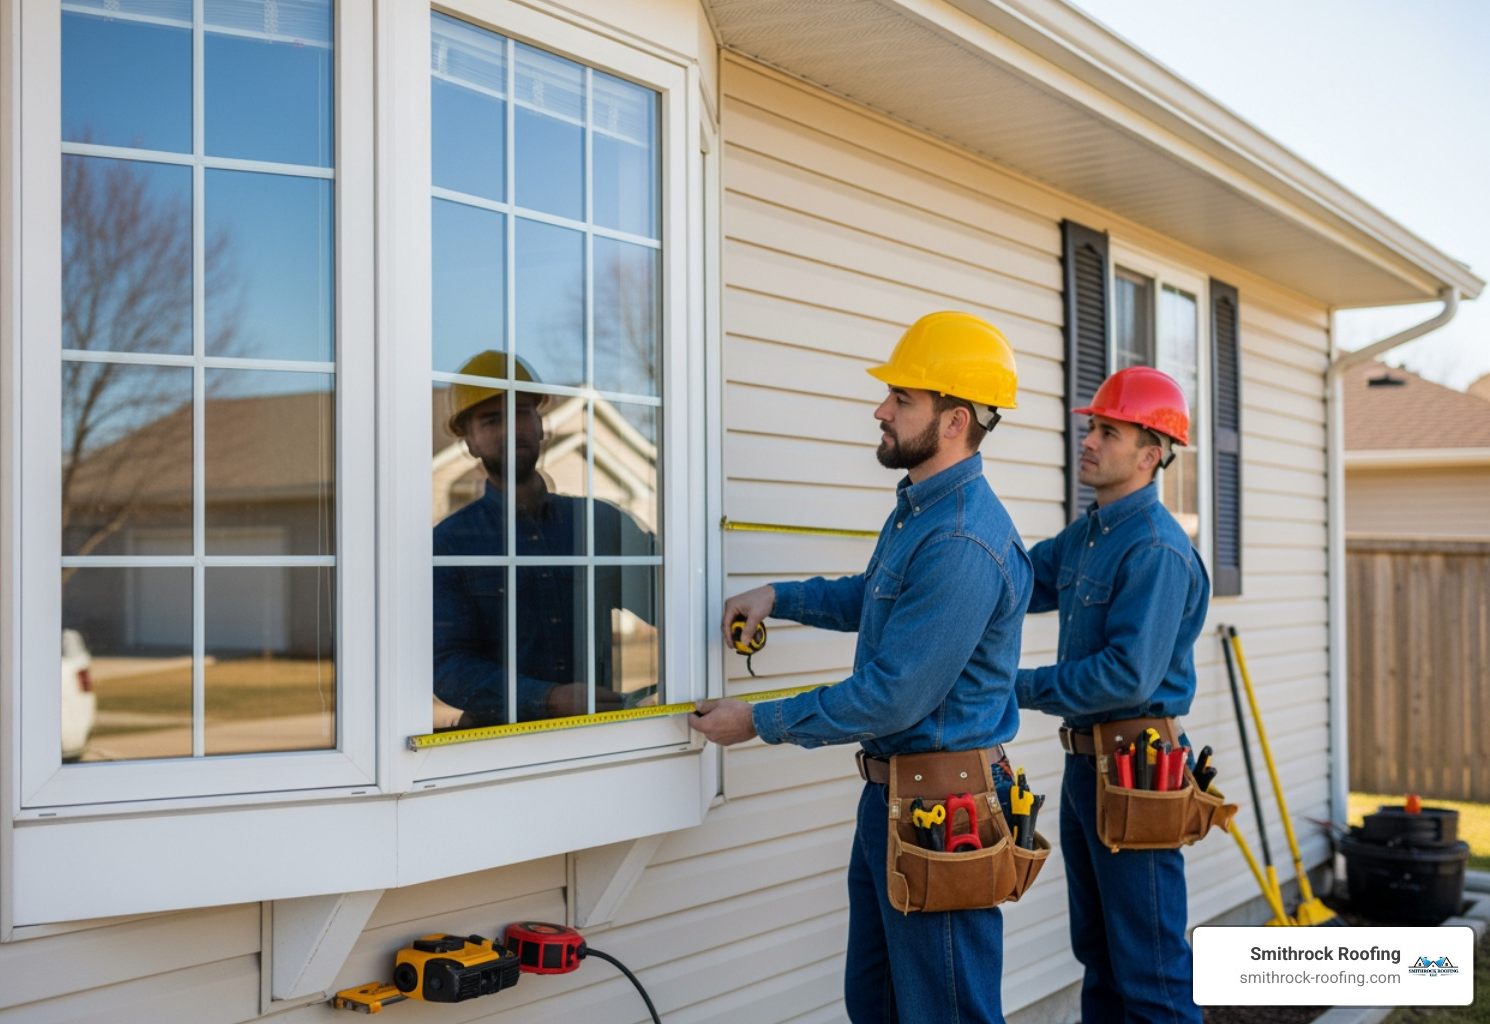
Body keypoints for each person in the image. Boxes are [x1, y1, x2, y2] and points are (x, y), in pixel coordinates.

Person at [690, 311, 1033, 1024]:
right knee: (875, 1005)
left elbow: (892, 697)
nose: (881, 410)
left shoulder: (963, 539)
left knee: (946, 1013)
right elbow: (870, 596)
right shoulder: (920, 513)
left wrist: (758, 720)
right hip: (899, 802)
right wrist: (779, 596)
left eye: (902, 398)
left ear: (953, 421)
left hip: (945, 811)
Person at [1013, 365, 1209, 1024]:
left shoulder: (1155, 548)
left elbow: (1124, 677)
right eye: (1091, 427)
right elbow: (1012, 584)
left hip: (1135, 771)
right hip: (1084, 768)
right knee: (1099, 956)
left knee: (1149, 969)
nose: (1089, 441)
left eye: (1108, 431)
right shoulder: (1088, 535)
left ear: (1151, 455)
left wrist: (1008, 687)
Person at [432, 350, 655, 730]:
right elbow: (447, 666)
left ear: (540, 424)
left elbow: (675, 602)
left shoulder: (601, 524)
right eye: (491, 420)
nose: (510, 428)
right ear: (468, 441)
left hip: (599, 740)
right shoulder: (450, 545)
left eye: (520, 412)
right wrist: (546, 698)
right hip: (493, 750)